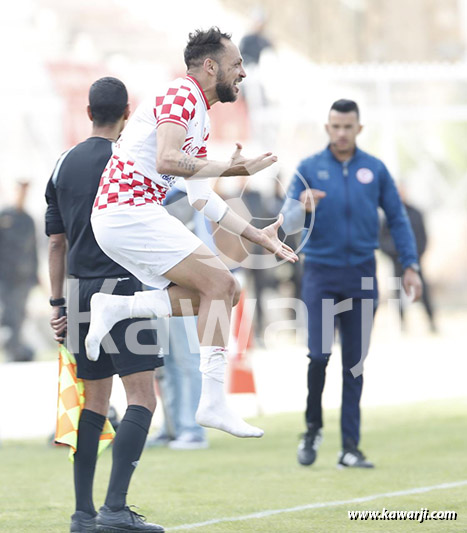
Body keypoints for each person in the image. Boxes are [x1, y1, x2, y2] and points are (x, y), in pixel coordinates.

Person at [85, 27, 298, 441]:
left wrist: (259, 236)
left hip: (128, 215)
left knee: (225, 292)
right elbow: (167, 159)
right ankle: (213, 402)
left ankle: (115, 309)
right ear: (211, 66)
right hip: (127, 211)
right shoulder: (182, 95)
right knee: (220, 283)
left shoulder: (198, 111)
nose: (243, 73)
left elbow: (203, 200)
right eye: (237, 65)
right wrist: (233, 168)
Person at [46, 77, 164, 533]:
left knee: (93, 402)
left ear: (89, 111)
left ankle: (82, 513)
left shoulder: (62, 164)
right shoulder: (130, 161)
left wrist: (58, 303)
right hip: (125, 287)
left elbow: (57, 242)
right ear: (127, 112)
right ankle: (115, 509)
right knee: (142, 396)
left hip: (78, 290)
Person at [282, 99, 422, 468]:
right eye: (335, 126)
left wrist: (410, 265)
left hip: (361, 276)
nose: (341, 133)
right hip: (320, 275)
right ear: (327, 128)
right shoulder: (309, 169)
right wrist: (301, 208)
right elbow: (285, 220)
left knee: (355, 364)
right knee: (318, 356)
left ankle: (350, 448)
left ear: (359, 128)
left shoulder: (374, 169)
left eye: (348, 127)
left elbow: (398, 218)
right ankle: (312, 429)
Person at [380, 193, 437, 332]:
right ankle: (401, 323)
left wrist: (413, 256)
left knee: (423, 291)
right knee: (397, 294)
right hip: (396, 262)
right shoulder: (388, 216)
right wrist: (397, 253)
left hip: (415, 262)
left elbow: (423, 237)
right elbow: (382, 241)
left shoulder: (416, 214)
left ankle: (432, 322)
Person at [0, 181, 38, 362]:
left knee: (19, 313)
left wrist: (35, 276)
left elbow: (33, 250)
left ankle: (15, 350)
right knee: (8, 314)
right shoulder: (4, 216)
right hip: (4, 276)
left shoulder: (28, 219)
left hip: (23, 277)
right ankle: (11, 349)